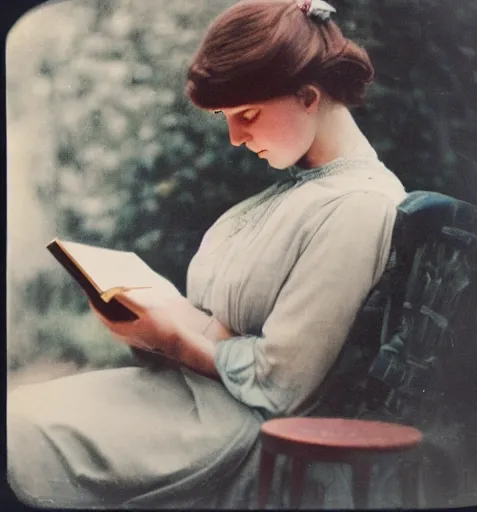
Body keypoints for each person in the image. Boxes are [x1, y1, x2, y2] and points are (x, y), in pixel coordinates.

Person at [7, 0, 408, 508]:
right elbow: (227, 329)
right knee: (19, 413)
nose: (236, 137)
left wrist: (170, 337)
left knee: (25, 433)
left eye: (247, 115)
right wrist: (149, 321)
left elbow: (282, 387)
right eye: (226, 117)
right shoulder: (304, 190)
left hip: (237, 428)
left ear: (309, 96)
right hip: (192, 398)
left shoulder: (360, 205)